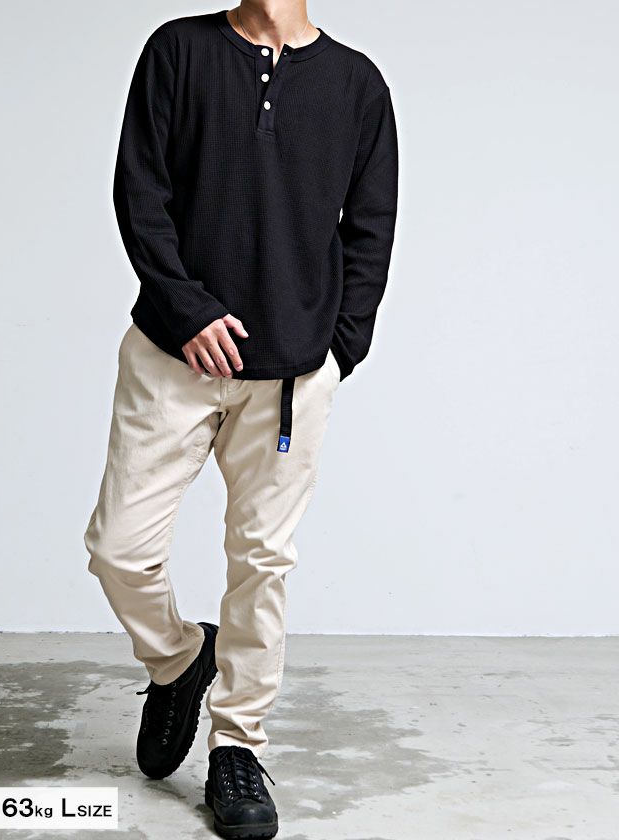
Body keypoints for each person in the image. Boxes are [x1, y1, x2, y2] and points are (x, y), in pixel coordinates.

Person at [84, 2, 398, 837]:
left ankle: (238, 746)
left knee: (262, 562)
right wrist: (186, 309)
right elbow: (140, 193)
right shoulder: (176, 51)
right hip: (171, 358)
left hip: (290, 377)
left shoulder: (357, 84)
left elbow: (370, 228)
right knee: (118, 548)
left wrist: (338, 349)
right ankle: (179, 660)